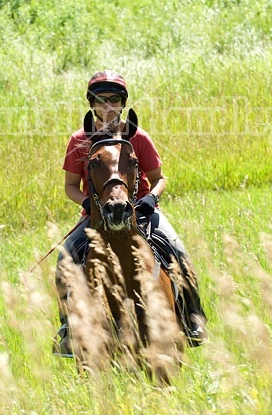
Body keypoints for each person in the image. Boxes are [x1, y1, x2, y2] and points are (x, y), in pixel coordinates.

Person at [55, 70, 207, 355]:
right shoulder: (78, 140)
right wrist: (87, 203)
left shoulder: (138, 137)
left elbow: (160, 177)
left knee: (178, 250)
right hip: (98, 215)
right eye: (101, 100)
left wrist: (151, 197)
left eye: (114, 100)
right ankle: (67, 330)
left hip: (143, 212)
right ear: (92, 104)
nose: (108, 106)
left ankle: (192, 319)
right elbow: (70, 186)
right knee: (65, 260)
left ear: (122, 103)